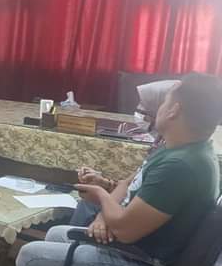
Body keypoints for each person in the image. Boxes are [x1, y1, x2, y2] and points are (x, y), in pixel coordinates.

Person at [0, 73, 222, 266]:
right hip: (139, 253)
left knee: (30, 254)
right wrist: (104, 207)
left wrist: (101, 197)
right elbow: (127, 185)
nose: (159, 106)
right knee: (57, 233)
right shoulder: (179, 150)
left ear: (174, 110)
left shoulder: (181, 166)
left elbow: (125, 230)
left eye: (166, 100)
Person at [70, 79, 180, 227]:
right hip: (127, 210)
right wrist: (104, 184)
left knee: (55, 233)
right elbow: (131, 185)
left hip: (131, 223)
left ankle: (72, 238)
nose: (140, 113)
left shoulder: (173, 158)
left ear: (172, 111)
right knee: (86, 204)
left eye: (145, 111)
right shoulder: (161, 144)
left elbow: (135, 212)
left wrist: (102, 201)